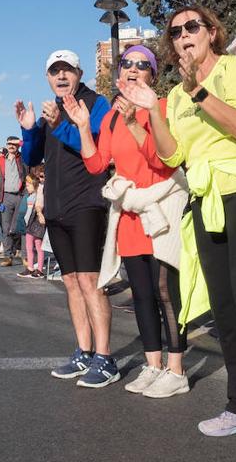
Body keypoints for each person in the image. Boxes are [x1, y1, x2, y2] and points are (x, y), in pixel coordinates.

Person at [121, 6, 236, 457]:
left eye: (192, 26)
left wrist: (197, 90)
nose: (183, 34)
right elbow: (171, 156)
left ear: (211, 33)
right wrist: (151, 113)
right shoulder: (178, 95)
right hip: (204, 200)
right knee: (224, 309)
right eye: (175, 31)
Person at [67, 44, 192, 398]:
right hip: (130, 214)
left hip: (162, 210)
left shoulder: (162, 108)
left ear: (153, 76)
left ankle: (177, 370)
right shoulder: (109, 118)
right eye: (127, 64)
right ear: (119, 74)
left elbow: (162, 161)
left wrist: (131, 118)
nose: (133, 69)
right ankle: (154, 365)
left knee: (166, 292)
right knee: (141, 294)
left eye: (143, 65)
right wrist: (82, 127)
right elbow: (95, 165)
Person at [18, 49, 118, 388]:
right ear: (47, 77)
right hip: (57, 208)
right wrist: (30, 130)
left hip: (87, 202)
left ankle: (105, 357)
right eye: (54, 72)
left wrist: (61, 125)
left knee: (91, 282)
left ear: (79, 72)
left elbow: (97, 150)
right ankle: (83, 351)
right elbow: (33, 159)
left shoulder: (97, 102)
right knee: (71, 282)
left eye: (67, 70)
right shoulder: (51, 110)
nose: (61, 77)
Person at [0, 136, 28, 267]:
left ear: (18, 145)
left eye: (14, 144)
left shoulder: (23, 157)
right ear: (6, 145)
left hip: (21, 196)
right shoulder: (1, 160)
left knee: (22, 227)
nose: (11, 146)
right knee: (6, 228)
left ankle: (25, 256)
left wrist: (21, 142)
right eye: (9, 143)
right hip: (5, 197)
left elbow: (29, 146)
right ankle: (8, 256)